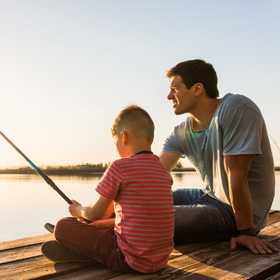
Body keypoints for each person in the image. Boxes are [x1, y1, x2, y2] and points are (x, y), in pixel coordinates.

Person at [160, 59, 279, 255]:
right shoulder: (182, 132)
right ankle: (100, 220)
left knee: (148, 218)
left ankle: (101, 231)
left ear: (198, 88)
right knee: (138, 203)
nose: (169, 96)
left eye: (175, 88)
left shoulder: (236, 108)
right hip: (208, 197)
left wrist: (246, 231)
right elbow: (152, 175)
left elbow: (237, 175)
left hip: (234, 213)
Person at [41, 105, 175, 273]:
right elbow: (140, 215)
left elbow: (95, 214)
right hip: (160, 259)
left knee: (62, 225)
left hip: (127, 258)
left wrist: (78, 211)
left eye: (115, 142)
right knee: (107, 217)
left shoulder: (120, 167)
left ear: (123, 137)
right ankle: (89, 246)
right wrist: (92, 217)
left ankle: (84, 251)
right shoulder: (161, 169)